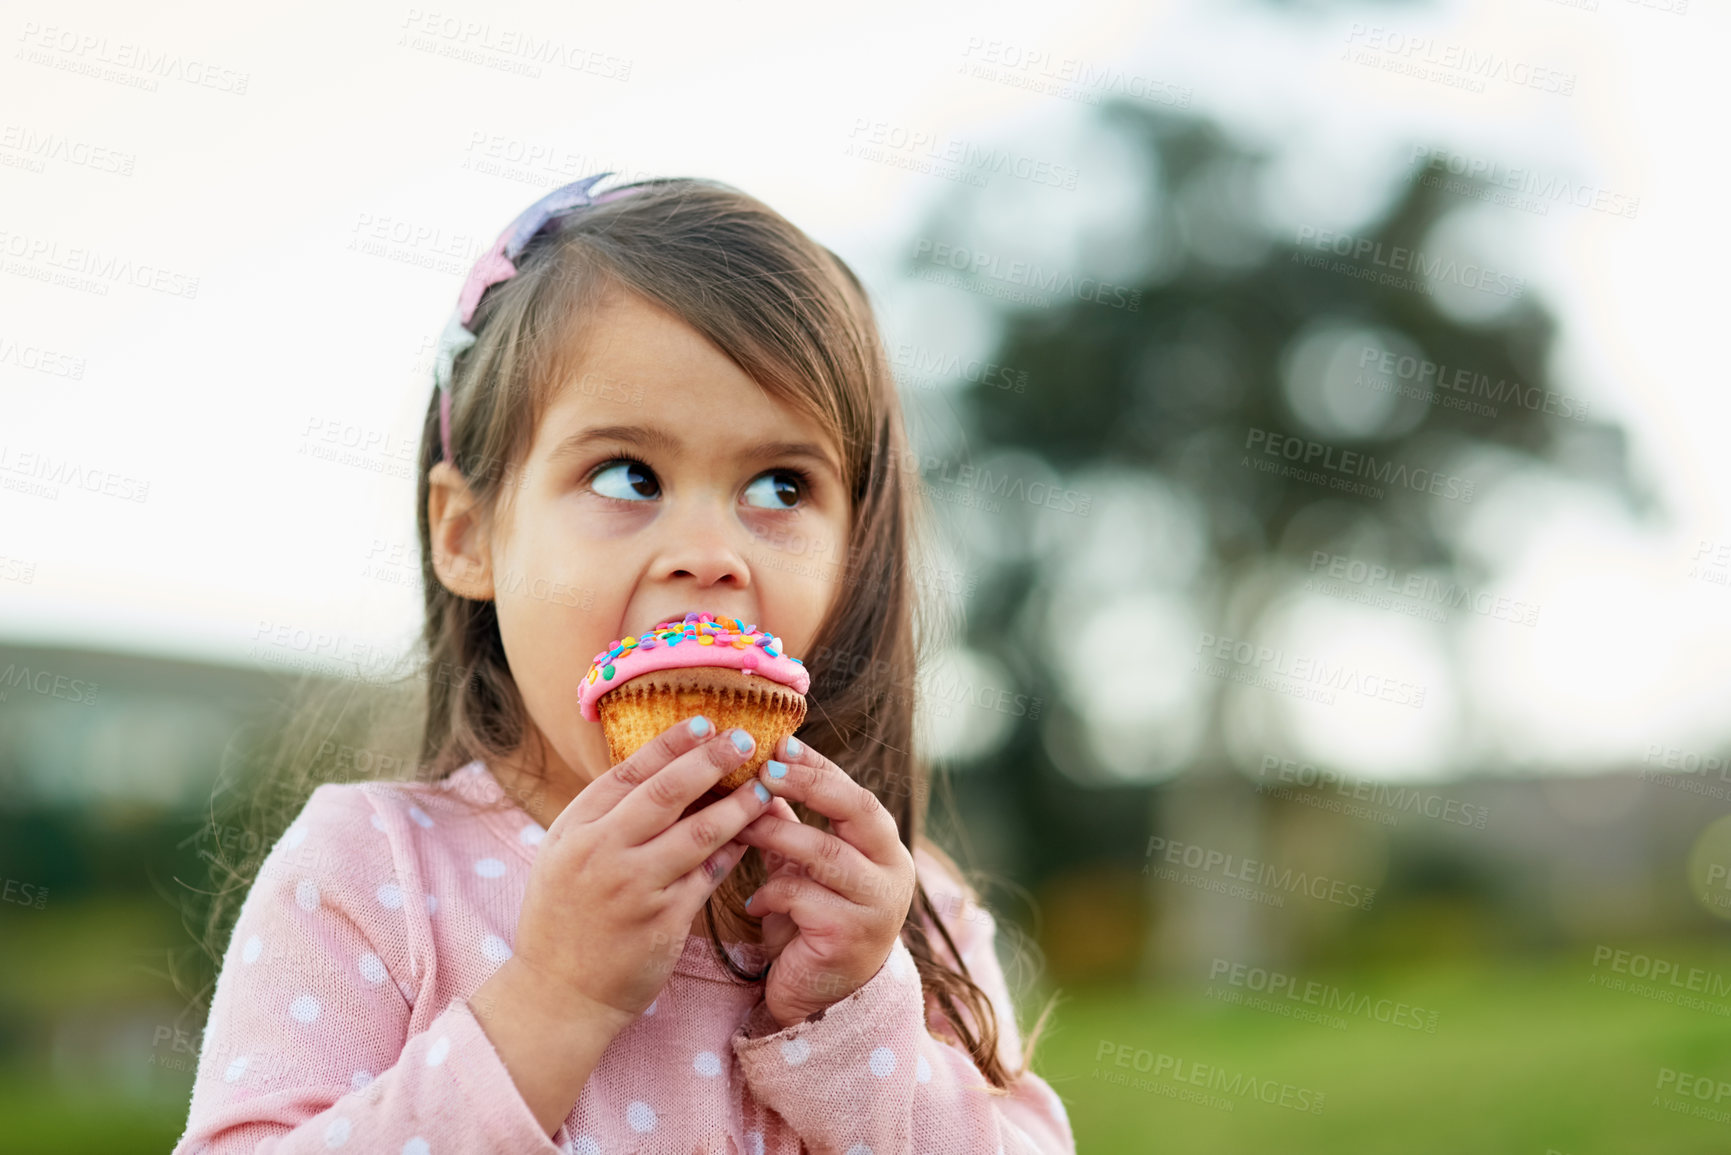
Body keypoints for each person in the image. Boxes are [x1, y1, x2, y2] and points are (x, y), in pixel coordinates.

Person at [171, 173, 1075, 1154]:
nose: (709, 551)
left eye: (780, 484)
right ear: (469, 533)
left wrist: (854, 1023)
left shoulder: (893, 906)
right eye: (627, 475)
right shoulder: (372, 868)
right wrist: (551, 1001)